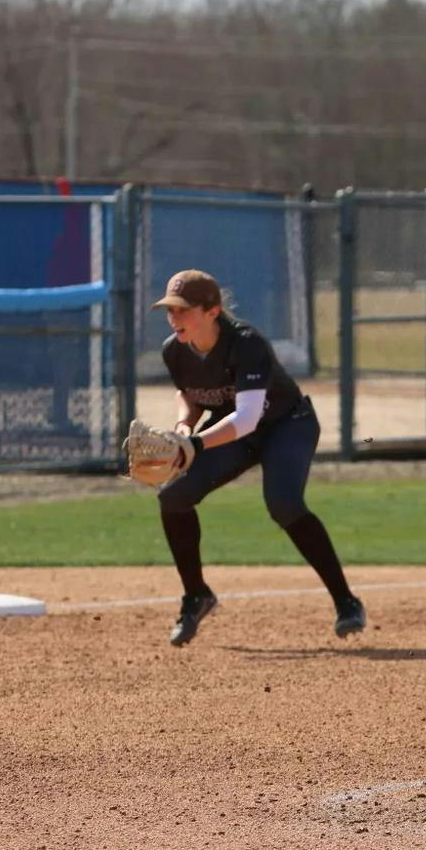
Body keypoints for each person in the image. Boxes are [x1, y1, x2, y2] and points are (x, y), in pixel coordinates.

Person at [150, 269, 365, 646]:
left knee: (284, 503)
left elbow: (248, 418)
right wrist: (184, 427)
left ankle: (347, 602)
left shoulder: (246, 344)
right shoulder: (174, 350)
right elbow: (188, 393)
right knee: (174, 496)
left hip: (287, 424)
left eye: (183, 310)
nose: (174, 317)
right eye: (170, 310)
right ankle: (196, 595)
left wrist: (196, 445)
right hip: (233, 431)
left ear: (212, 311)